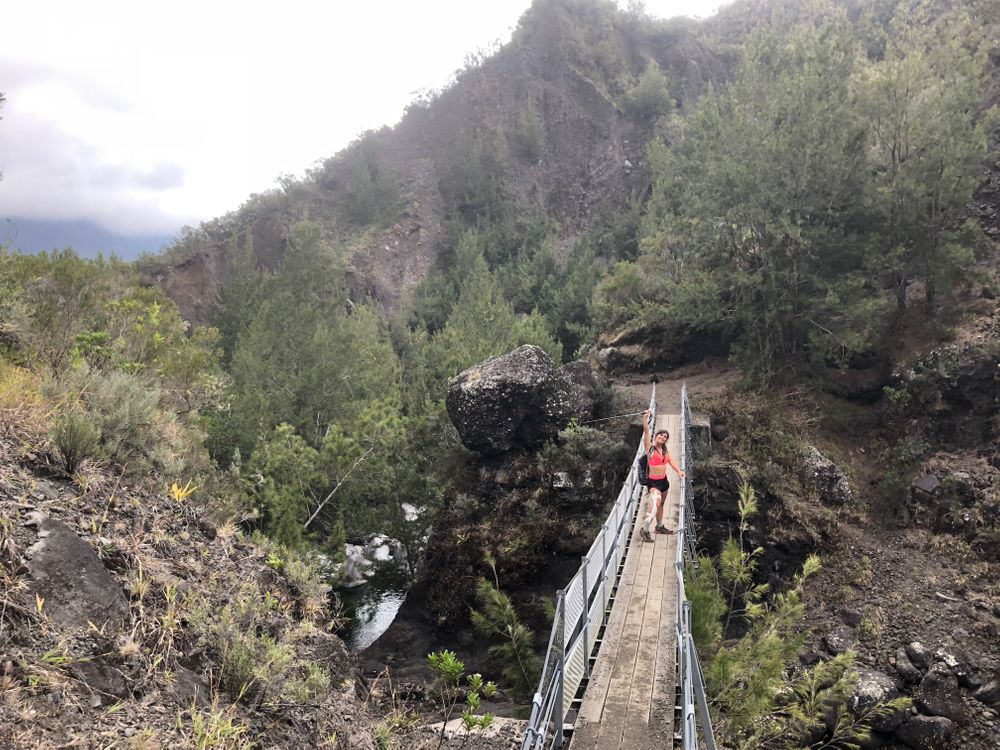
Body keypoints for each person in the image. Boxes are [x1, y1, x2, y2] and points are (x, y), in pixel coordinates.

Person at [639, 408, 685, 542]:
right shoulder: (650, 449)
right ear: (656, 437)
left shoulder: (665, 451)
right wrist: (645, 418)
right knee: (654, 506)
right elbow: (646, 431)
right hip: (653, 483)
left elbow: (671, 462)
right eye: (660, 435)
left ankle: (659, 527)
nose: (662, 437)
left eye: (665, 437)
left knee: (662, 504)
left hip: (664, 482)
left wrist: (679, 471)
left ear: (666, 440)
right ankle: (645, 529)